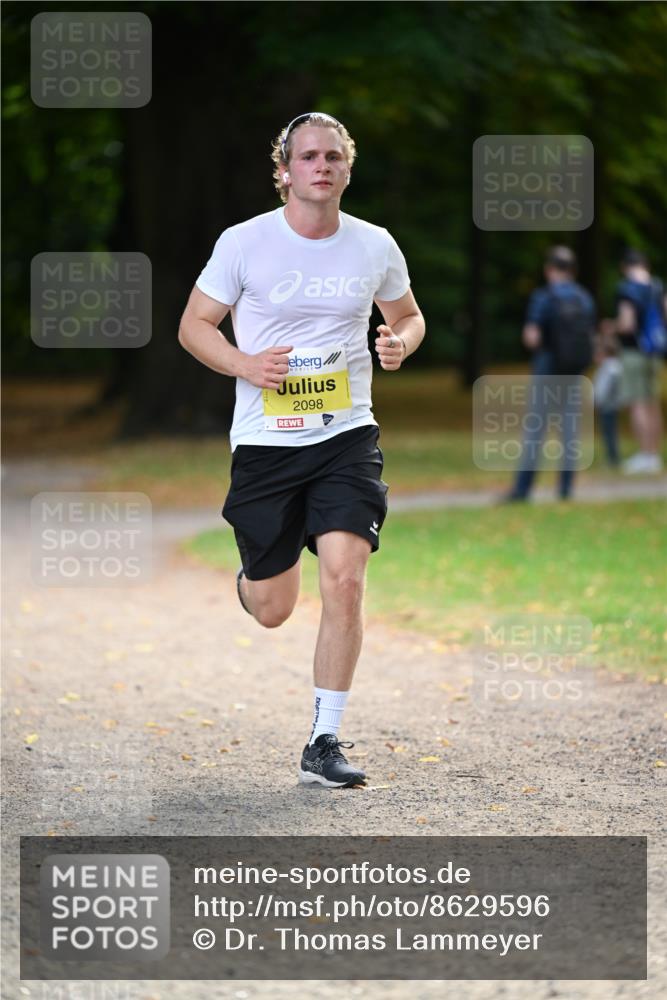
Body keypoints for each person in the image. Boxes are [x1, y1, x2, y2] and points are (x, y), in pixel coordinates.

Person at [178, 112, 425, 788]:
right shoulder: (244, 242)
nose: (322, 166)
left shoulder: (373, 244)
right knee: (273, 608)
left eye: (334, 156)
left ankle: (323, 739)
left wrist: (400, 340)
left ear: (347, 168)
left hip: (346, 436)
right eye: (308, 156)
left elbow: (406, 313)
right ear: (283, 170)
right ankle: (252, 580)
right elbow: (193, 326)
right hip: (266, 443)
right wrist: (243, 364)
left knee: (345, 577)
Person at [505, 246, 596, 502]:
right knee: (569, 429)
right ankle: (566, 489)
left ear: (549, 269)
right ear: (573, 270)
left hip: (548, 365)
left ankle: (523, 490)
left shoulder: (544, 297)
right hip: (574, 370)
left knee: (536, 428)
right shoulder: (584, 298)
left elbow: (531, 337)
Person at [613, 249, 665, 474]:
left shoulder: (627, 288)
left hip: (634, 352)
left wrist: (610, 328)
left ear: (625, 267)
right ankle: (654, 454)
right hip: (656, 351)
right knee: (652, 402)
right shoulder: (657, 285)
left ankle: (645, 455)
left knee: (637, 403)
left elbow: (627, 324)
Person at [593, 324, 623, 468]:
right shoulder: (610, 367)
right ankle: (612, 457)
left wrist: (597, 400)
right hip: (608, 406)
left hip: (608, 406)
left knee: (609, 434)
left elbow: (604, 389)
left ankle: (613, 459)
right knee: (608, 433)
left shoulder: (610, 368)